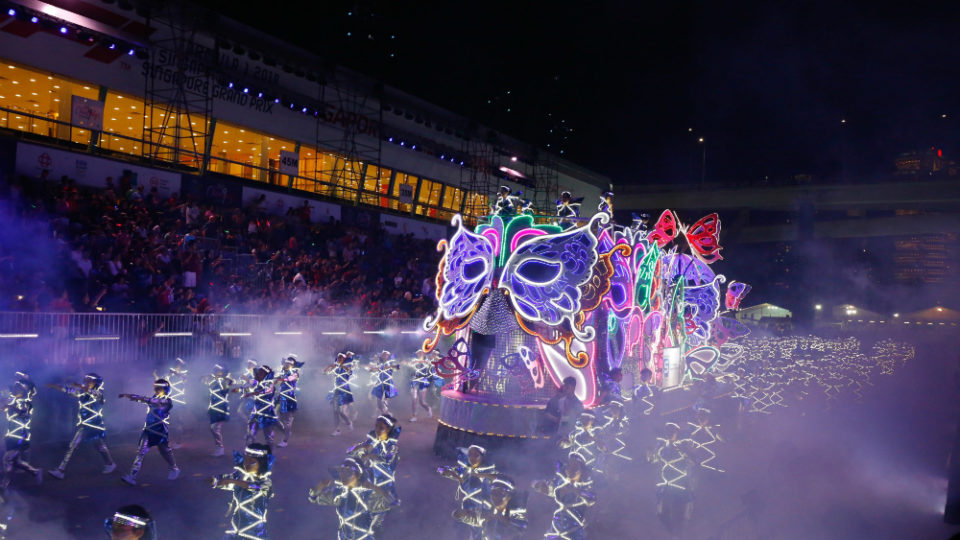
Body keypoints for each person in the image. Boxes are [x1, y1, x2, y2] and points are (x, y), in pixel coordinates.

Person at [47, 373, 116, 479]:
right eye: (86, 381)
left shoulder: (99, 393)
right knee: (89, 446)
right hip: (84, 424)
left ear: (96, 383)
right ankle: (110, 464)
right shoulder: (82, 393)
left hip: (94, 424)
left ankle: (61, 470)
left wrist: (80, 386)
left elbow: (95, 394)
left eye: (90, 381)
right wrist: (55, 386)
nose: (87, 383)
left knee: (92, 446)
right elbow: (69, 391)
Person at [308, 458, 395, 540]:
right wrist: (321, 485)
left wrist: (375, 488)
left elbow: (390, 503)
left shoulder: (367, 495)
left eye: (347, 472)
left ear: (357, 475)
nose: (343, 475)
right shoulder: (339, 493)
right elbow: (314, 498)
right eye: (341, 471)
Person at [119, 379, 180, 486]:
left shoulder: (167, 401)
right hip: (148, 430)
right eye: (155, 388)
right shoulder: (153, 398)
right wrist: (129, 396)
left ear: (165, 389)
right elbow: (145, 400)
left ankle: (174, 468)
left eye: (159, 388)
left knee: (165, 451)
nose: (156, 390)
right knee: (140, 452)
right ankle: (132, 476)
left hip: (160, 431)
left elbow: (150, 401)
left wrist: (133, 397)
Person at [210, 443, 274, 539]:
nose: (246, 464)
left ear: (261, 463)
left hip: (254, 532)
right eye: (245, 459)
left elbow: (252, 486)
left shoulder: (266, 482)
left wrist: (231, 481)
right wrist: (213, 480)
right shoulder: (239, 476)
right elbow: (221, 479)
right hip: (235, 529)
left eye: (251, 461)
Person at [439, 445, 499, 540]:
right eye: (470, 454)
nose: (472, 457)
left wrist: (481, 475)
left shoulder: (490, 472)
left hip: (485, 510)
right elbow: (441, 469)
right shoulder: (464, 470)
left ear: (482, 456)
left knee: (486, 535)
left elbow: (501, 479)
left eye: (476, 455)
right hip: (468, 508)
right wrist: (450, 473)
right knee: (463, 531)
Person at [531, 452, 596, 540]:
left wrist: (573, 489)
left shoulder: (586, 486)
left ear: (582, 470)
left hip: (573, 532)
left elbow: (591, 499)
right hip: (555, 530)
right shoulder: (559, 483)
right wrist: (539, 485)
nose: (570, 470)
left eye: (575, 467)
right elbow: (546, 488)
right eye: (569, 466)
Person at [346, 415, 401, 506]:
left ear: (388, 429)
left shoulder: (392, 445)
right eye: (376, 426)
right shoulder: (372, 441)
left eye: (381, 428)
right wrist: (360, 446)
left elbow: (387, 459)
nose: (377, 430)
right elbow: (349, 452)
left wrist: (370, 456)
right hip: (371, 473)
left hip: (385, 475)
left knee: (388, 500)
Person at [453, 475, 527, 540]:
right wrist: (462, 514)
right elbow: (476, 518)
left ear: (509, 496)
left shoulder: (516, 511)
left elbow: (523, 525)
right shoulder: (489, 509)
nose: (496, 496)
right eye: (494, 492)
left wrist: (500, 518)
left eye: (501, 493)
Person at [1, 382, 42, 493]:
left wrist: (10, 406)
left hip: (21, 436)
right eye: (14, 388)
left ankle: (4, 485)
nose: (14, 391)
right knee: (16, 462)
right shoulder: (11, 400)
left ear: (23, 391)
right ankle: (35, 472)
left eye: (17, 389)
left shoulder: (28, 403)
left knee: (7, 459)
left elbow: (24, 414)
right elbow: (3, 408)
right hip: (10, 435)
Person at [651, 422, 696, 521]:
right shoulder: (661, 445)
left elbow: (692, 458)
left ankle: (687, 514)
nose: (670, 433)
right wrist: (651, 456)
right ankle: (660, 513)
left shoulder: (683, 444)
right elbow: (654, 459)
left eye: (672, 431)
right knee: (660, 493)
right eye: (668, 431)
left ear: (677, 432)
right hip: (667, 477)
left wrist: (685, 451)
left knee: (686, 494)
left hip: (680, 478)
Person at [202, 364, 236, 457]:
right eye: (215, 370)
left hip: (221, 408)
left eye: (218, 370)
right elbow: (202, 379)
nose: (215, 372)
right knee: (213, 428)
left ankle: (220, 448)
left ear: (222, 372)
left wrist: (225, 378)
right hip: (213, 408)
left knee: (214, 428)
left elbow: (231, 383)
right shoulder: (212, 381)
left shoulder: (225, 381)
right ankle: (219, 448)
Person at [153, 358, 187, 449]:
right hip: (169, 401)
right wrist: (155, 375)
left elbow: (184, 379)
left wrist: (175, 373)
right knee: (166, 421)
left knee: (178, 422)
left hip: (179, 402)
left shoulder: (183, 374)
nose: (176, 367)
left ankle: (178, 442)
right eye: (176, 365)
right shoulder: (169, 375)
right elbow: (161, 382)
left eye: (178, 365)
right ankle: (165, 440)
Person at [245, 366, 280, 446]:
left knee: (268, 436)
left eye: (261, 373)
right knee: (250, 432)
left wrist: (254, 392)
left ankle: (269, 454)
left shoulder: (270, 384)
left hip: (267, 412)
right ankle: (249, 451)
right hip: (256, 412)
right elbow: (249, 387)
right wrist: (243, 390)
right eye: (258, 373)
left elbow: (267, 390)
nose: (258, 375)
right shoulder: (257, 383)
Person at [275, 354, 303, 448]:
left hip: (289, 398)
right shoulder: (282, 371)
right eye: (286, 363)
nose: (286, 365)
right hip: (281, 397)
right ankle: (286, 431)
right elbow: (276, 376)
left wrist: (279, 378)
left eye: (288, 363)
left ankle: (285, 440)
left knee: (287, 420)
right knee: (274, 416)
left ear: (292, 365)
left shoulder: (295, 372)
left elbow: (288, 379)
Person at [326, 353, 356, 436]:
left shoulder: (347, 367)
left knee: (342, 412)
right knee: (335, 411)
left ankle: (348, 422)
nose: (339, 360)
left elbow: (350, 373)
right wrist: (329, 366)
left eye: (341, 358)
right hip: (336, 391)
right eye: (338, 358)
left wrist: (343, 366)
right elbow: (325, 372)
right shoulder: (335, 369)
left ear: (344, 360)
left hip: (345, 391)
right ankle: (337, 430)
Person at [406, 350, 434, 422]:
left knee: (422, 402)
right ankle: (414, 416)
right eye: (418, 353)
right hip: (415, 382)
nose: (420, 354)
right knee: (414, 399)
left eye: (421, 353)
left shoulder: (427, 360)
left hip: (423, 382)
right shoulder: (414, 360)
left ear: (423, 354)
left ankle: (428, 409)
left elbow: (431, 365)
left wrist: (422, 362)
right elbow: (409, 364)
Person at [367, 351, 399, 416]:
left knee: (385, 401)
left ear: (388, 356)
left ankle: (385, 415)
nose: (384, 356)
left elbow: (397, 367)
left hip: (388, 383)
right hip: (379, 383)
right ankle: (385, 413)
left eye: (386, 355)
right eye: (383, 355)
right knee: (378, 403)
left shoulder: (391, 362)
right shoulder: (378, 363)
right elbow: (371, 370)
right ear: (381, 356)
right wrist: (373, 368)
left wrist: (388, 367)